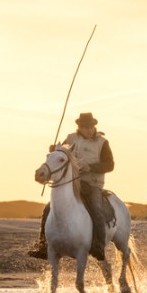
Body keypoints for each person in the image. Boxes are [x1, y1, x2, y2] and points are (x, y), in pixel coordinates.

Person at [28, 112, 114, 261]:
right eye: (84, 127)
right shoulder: (71, 138)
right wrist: (54, 149)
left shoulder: (102, 143)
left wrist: (91, 167)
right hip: (72, 182)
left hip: (93, 183)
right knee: (48, 208)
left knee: (96, 209)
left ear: (94, 126)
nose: (87, 129)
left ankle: (98, 247)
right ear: (79, 127)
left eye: (90, 126)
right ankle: (43, 245)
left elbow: (110, 165)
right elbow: (62, 152)